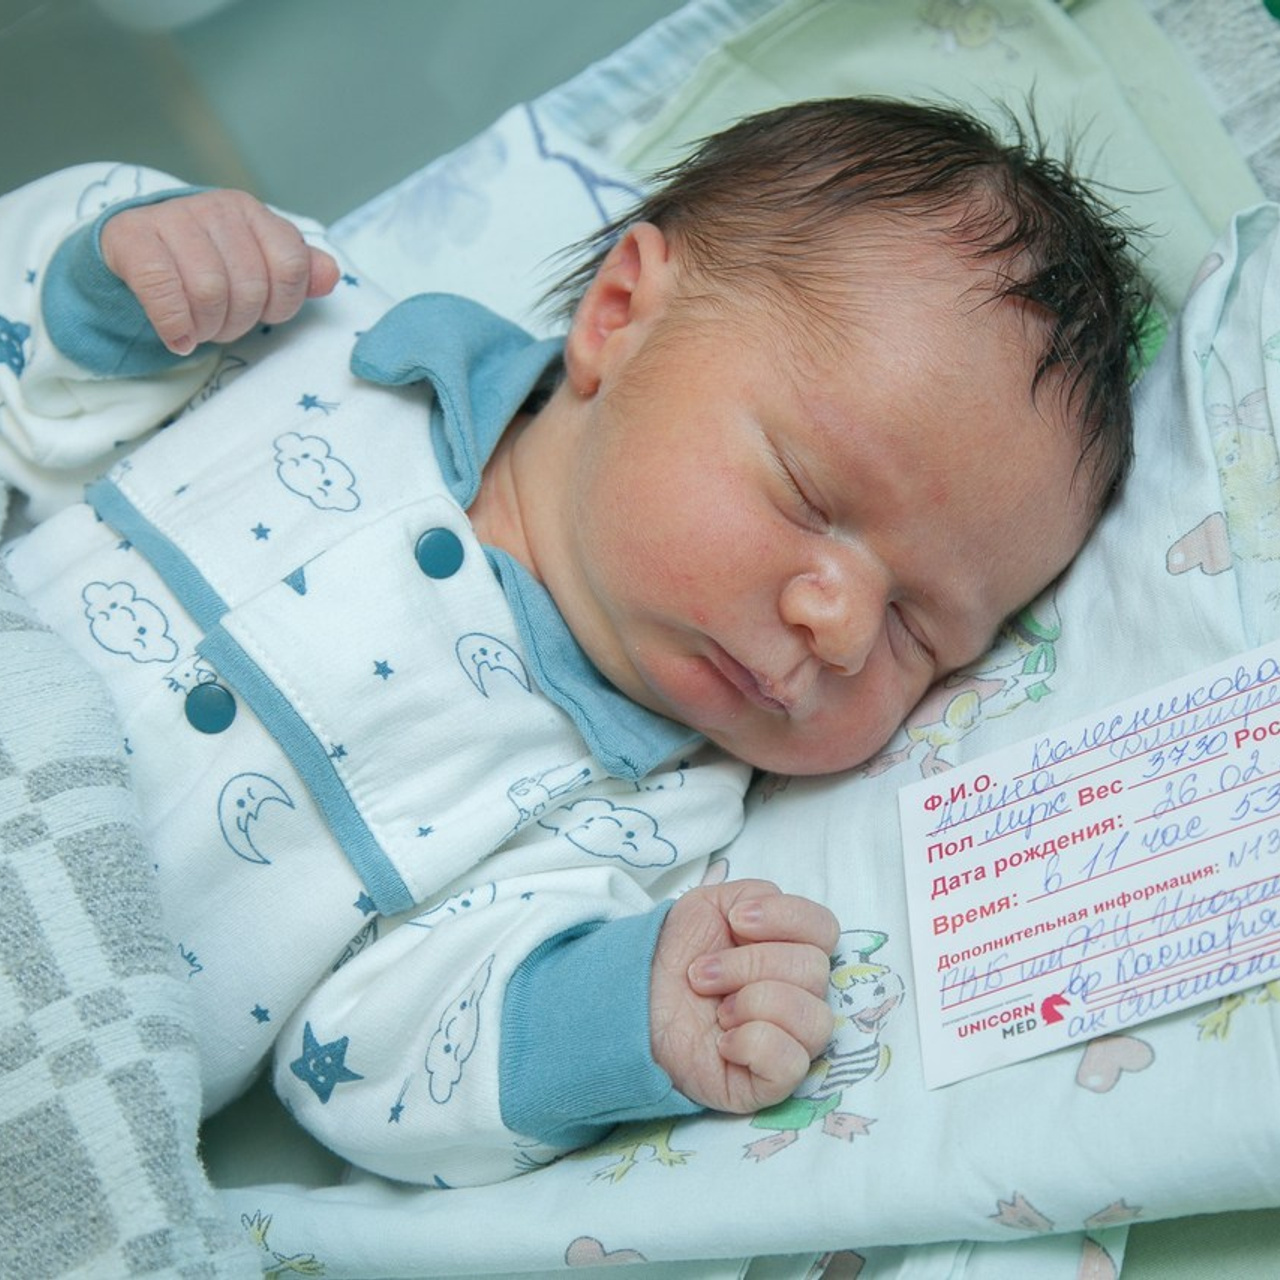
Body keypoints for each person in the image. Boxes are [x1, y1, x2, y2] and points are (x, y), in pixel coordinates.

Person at [0, 97, 1148, 1188]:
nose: (839, 627)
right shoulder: (323, 333)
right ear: (617, 319)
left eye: (918, 632)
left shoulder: (641, 816)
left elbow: (379, 1055)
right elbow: (37, 400)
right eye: (807, 494)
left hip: (56, 1047)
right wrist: (129, 278)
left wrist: (624, 1011)